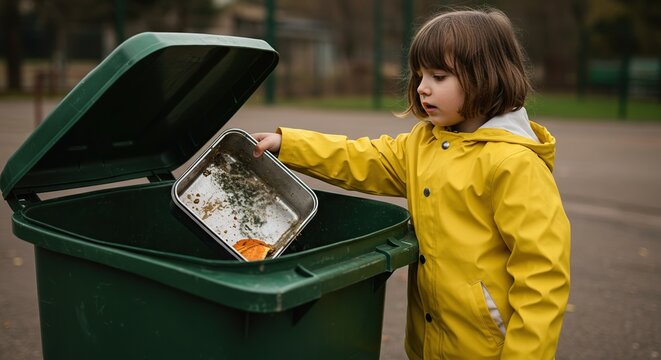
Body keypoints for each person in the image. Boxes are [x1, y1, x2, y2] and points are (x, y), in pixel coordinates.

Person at [252, 8, 570, 360]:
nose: (422, 88)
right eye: (419, 75)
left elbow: (543, 276)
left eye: (438, 76)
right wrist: (290, 145)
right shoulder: (425, 144)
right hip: (429, 342)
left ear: (486, 76)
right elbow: (364, 158)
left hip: (487, 349)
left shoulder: (515, 164)